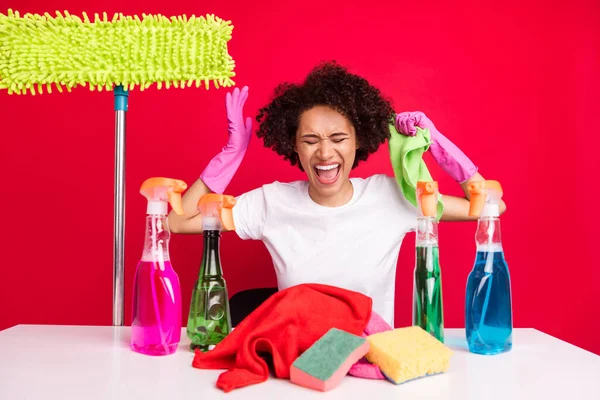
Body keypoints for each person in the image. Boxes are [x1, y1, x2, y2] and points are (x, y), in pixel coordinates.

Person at [168, 61, 506, 326]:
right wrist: (227, 158)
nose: (325, 153)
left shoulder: (391, 197)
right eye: (311, 141)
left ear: (358, 142)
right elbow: (178, 222)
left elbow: (489, 206)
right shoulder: (270, 203)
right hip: (297, 365)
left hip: (373, 368)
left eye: (339, 139)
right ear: (294, 147)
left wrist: (438, 145)